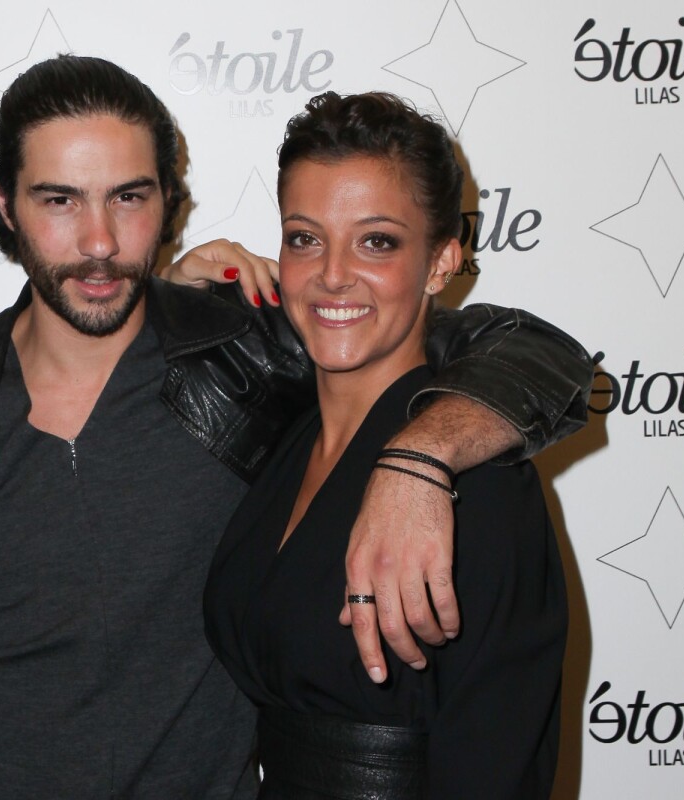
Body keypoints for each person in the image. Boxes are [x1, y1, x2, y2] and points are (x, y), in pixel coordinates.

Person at [0, 55, 589, 798]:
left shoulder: (241, 356)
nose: (98, 240)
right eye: (59, 200)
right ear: (4, 201)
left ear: (168, 202)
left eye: (128, 197)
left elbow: (524, 351)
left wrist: (421, 456)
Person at [204, 91, 569, 799]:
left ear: (441, 262)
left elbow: (497, 764)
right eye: (305, 237)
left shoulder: (474, 480)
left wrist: (420, 464)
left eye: (377, 241)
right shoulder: (288, 440)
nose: (332, 274)